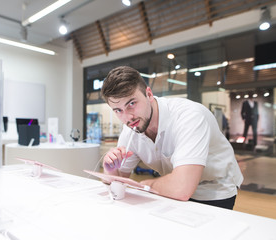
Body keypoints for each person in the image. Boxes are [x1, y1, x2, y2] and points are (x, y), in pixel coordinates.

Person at [101, 66, 243, 210]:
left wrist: (145, 185)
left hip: (214, 189)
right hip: (172, 188)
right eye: (118, 110)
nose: (127, 117)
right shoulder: (131, 128)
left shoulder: (188, 117)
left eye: (132, 103)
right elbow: (119, 180)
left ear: (149, 94)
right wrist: (110, 169)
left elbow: (182, 188)